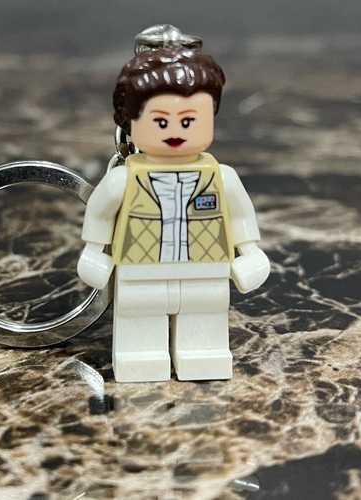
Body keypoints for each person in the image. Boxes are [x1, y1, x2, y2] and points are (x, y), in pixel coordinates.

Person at [78, 25, 270, 382]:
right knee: (139, 323)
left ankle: (203, 354)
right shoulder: (124, 179)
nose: (175, 130)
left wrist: (251, 252)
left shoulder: (222, 178)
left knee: (205, 323)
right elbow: (101, 213)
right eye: (161, 121)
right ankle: (139, 357)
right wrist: (93, 252)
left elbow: (239, 216)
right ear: (130, 123)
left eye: (189, 120)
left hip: (206, 271)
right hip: (140, 272)